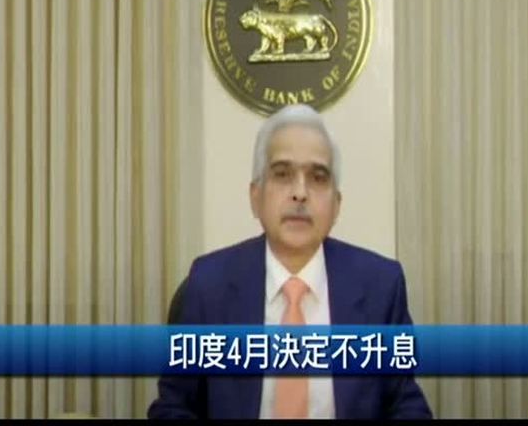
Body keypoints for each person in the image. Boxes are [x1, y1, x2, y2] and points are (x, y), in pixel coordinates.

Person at [148, 104, 433, 419]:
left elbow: (406, 404)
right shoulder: (209, 285)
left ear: (336, 205)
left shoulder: (381, 286)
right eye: (282, 174)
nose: (300, 193)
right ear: (255, 197)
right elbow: (173, 406)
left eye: (318, 177)